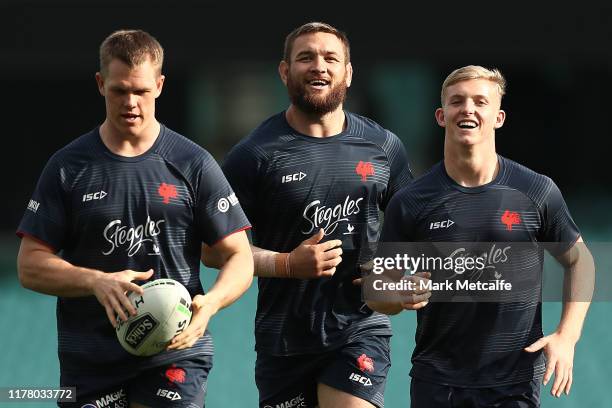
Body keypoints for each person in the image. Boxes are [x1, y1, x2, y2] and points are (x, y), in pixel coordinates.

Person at [16, 29, 253, 407]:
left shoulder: (193, 163)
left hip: (175, 352)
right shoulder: (68, 167)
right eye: (119, 90)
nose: (131, 102)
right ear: (100, 84)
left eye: (140, 91)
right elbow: (29, 265)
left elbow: (239, 254)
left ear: (159, 85)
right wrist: (96, 281)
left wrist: (213, 302)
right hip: (90, 361)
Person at [203, 21, 415, 408]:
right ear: (285, 72)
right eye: (306, 58)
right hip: (283, 339)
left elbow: (412, 230)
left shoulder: (384, 146)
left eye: (331, 58)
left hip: (359, 329)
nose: (319, 66)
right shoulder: (254, 155)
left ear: (348, 73)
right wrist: (286, 264)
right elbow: (212, 249)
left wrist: (398, 277)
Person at [371, 65, 594, 407]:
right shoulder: (411, 202)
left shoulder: (535, 190)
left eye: (480, 101)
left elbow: (581, 261)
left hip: (513, 384)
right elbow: (376, 289)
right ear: (441, 115)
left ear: (499, 117)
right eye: (457, 101)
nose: (468, 109)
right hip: (437, 384)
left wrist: (567, 336)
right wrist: (398, 293)